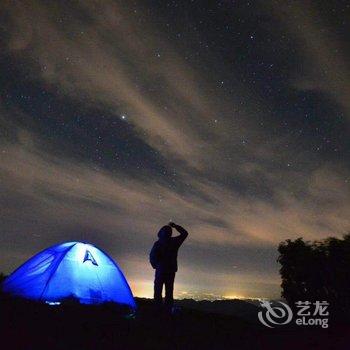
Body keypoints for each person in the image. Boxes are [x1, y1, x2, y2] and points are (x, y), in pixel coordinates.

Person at [149, 222, 188, 311]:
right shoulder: (174, 242)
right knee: (169, 291)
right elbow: (185, 233)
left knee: (158, 290)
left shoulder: (158, 243)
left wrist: (156, 266)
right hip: (170, 270)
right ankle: (167, 309)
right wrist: (175, 226)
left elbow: (152, 256)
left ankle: (157, 309)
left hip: (160, 270)